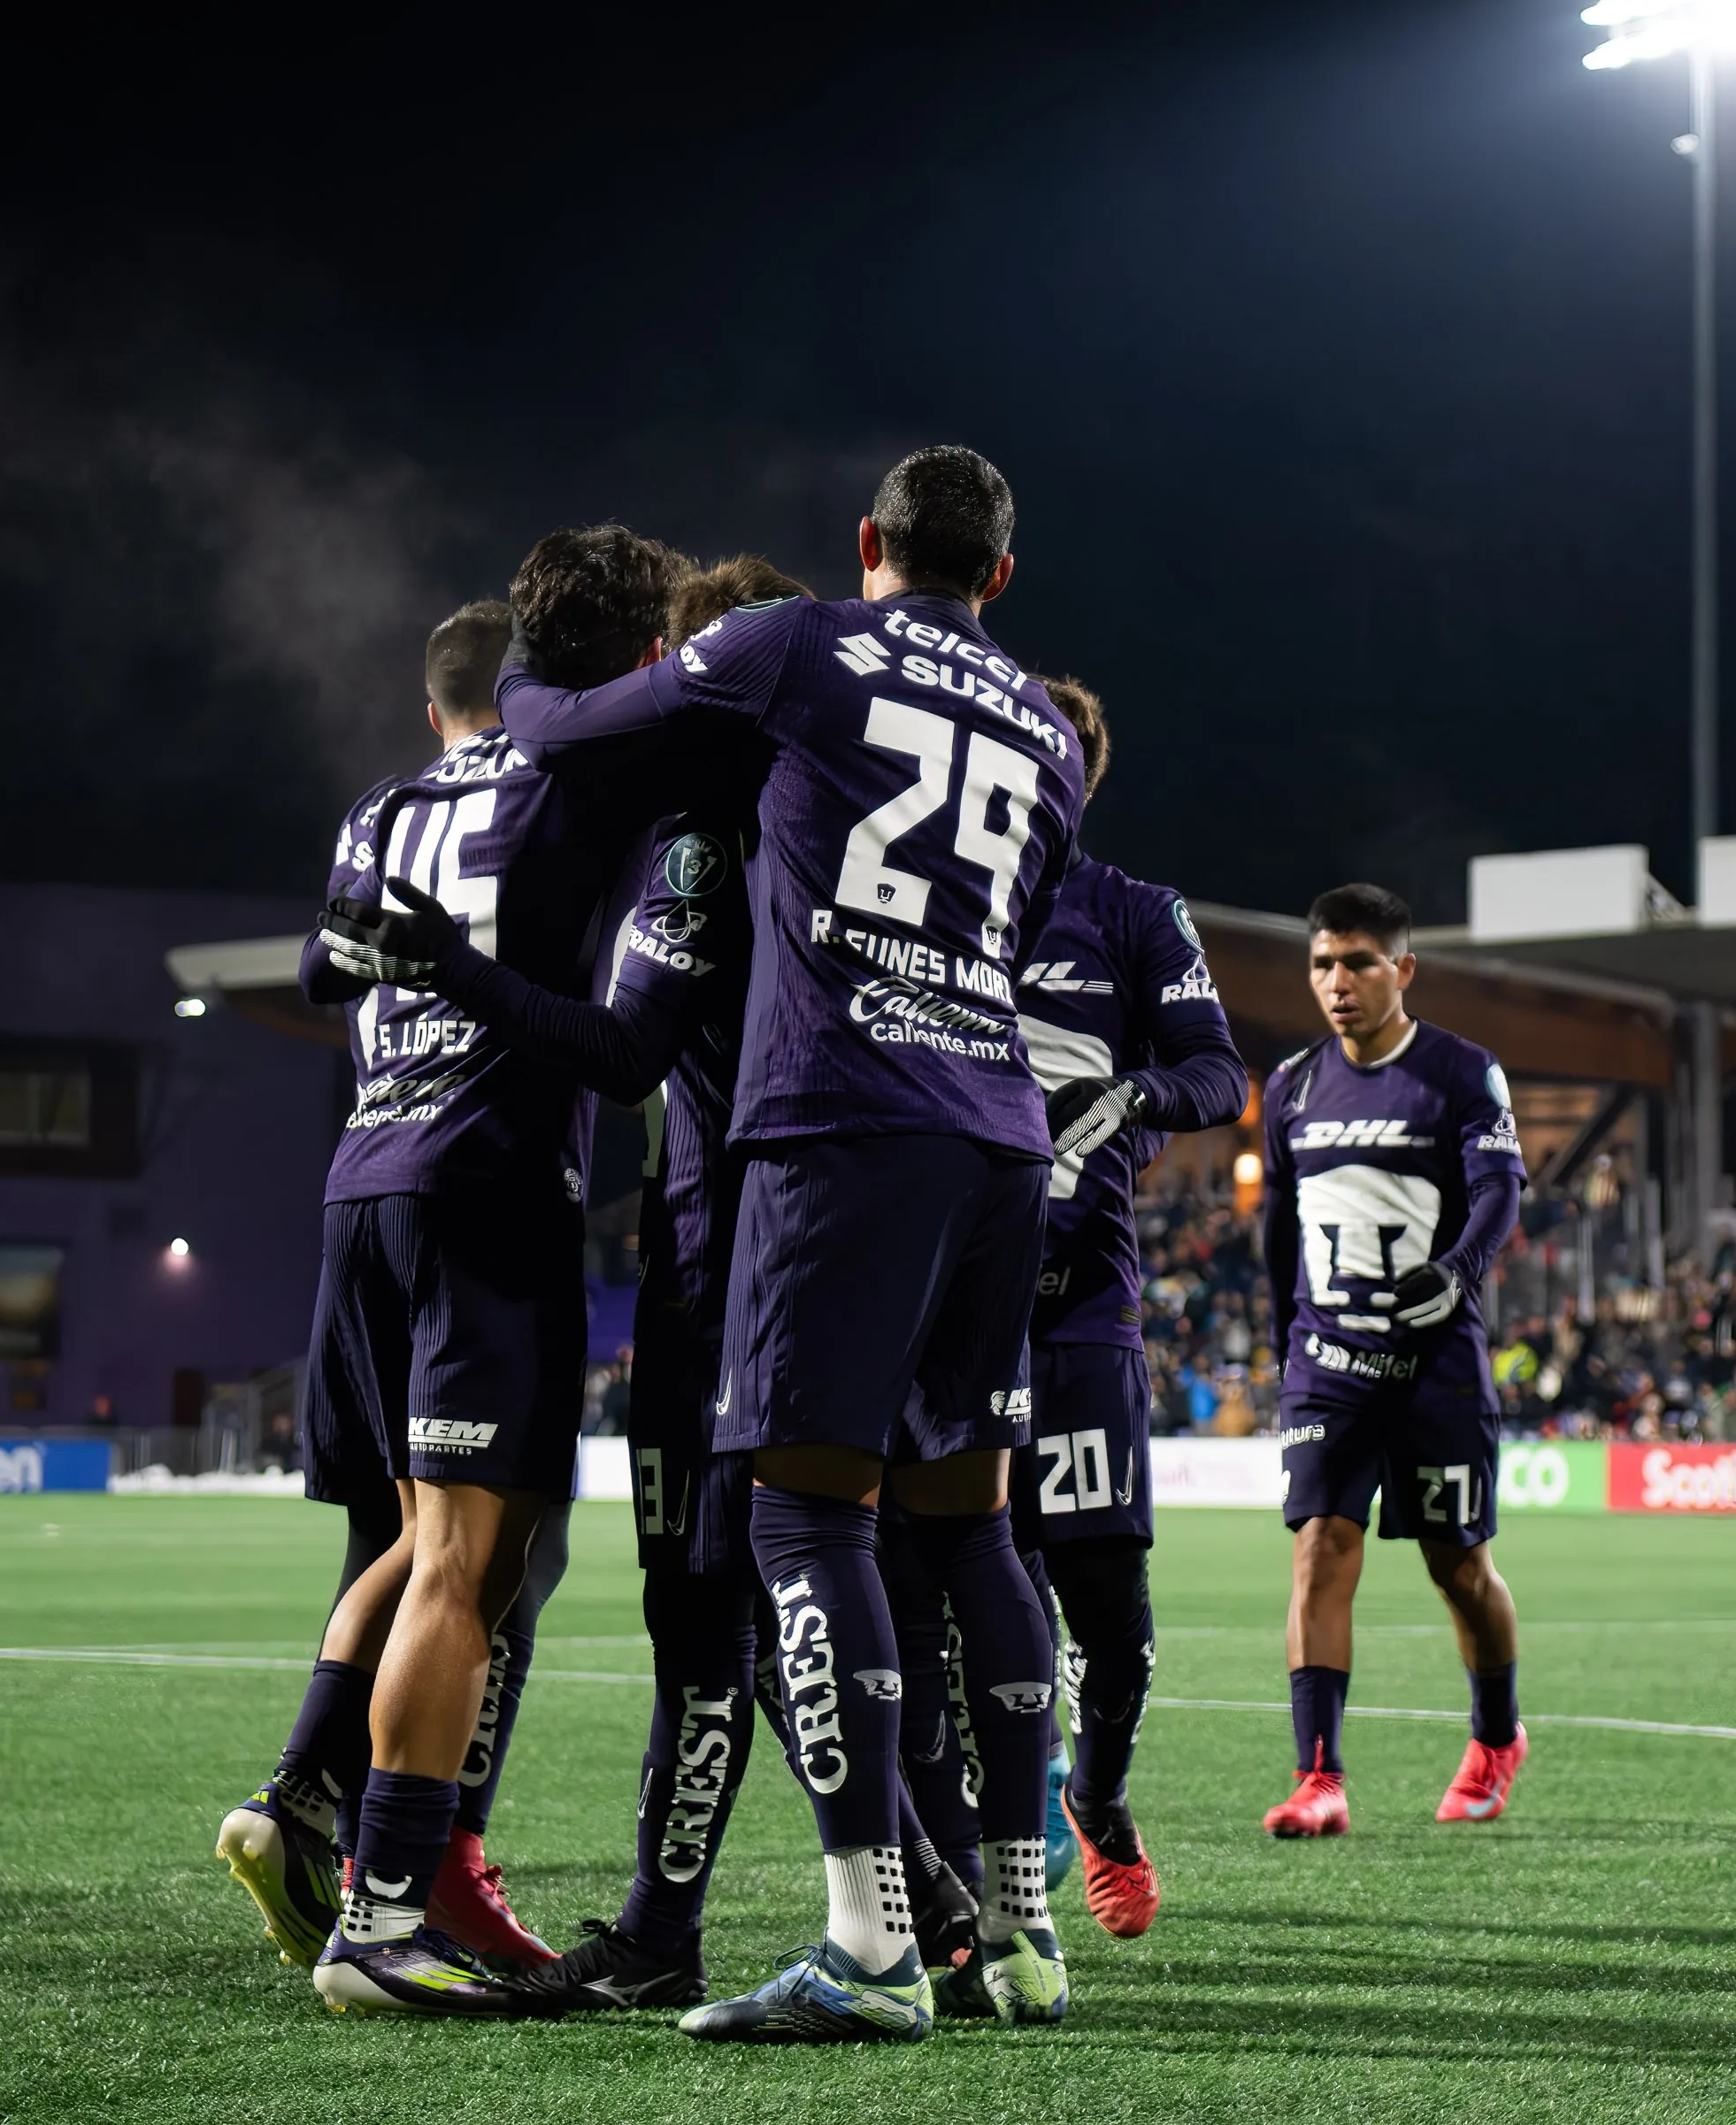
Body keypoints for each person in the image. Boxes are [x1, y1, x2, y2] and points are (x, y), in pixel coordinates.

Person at [501, 446, 1087, 2042]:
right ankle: (1024, 1934)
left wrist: (509, 662)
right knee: (972, 1527)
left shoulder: (799, 642)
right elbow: (1019, 928)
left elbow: (567, 728)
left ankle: (871, 1946)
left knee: (799, 1524)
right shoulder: (1045, 721)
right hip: (999, 1132)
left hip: (846, 1127)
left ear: (868, 542)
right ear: (1002, 576)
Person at [219, 540, 680, 2017]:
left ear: (436, 710)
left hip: (364, 1184)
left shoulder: (381, 803)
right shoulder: (571, 782)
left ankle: (299, 1790)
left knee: (416, 1545)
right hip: (490, 1182)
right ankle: (387, 1918)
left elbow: (313, 979)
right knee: (471, 1564)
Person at [338, 553, 801, 2016]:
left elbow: (325, 962)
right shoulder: (643, 812)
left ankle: (948, 1894)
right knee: (560, 1580)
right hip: (644, 1248)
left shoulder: (678, 824)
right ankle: (432, 1898)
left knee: (492, 1559)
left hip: (735, 1259)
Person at [952, 673, 1242, 1945]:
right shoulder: (938, 888)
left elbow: (1219, 1071)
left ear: (1083, 775)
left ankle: (1099, 1795)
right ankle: (988, 1835)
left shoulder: (1133, 912)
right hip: (953, 1313)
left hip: (1082, 1314)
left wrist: (1133, 1095)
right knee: (963, 1586)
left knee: (1108, 1616)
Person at [1256, 885, 1527, 1839]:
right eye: (1323, 963)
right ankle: (1318, 1775)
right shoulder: (1288, 1085)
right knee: (1320, 1549)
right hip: (1325, 1364)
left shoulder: (1461, 1072)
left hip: (1436, 1369)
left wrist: (1456, 1274)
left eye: (1359, 962)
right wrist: (1282, 1341)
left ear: (1402, 968)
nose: (1338, 981)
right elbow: (1276, 1235)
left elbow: (1498, 1191)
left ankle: (1496, 1734)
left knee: (1459, 1569)